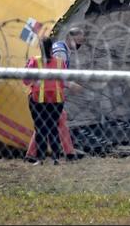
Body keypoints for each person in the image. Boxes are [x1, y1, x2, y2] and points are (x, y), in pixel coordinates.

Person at [24, 28, 86, 161]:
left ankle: (36, 155)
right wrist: (70, 85)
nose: (79, 44)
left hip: (41, 98)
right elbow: (60, 77)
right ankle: (63, 154)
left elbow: (26, 80)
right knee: (52, 125)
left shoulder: (39, 59)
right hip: (53, 97)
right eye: (78, 41)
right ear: (70, 38)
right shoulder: (60, 55)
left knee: (44, 126)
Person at [24, 37, 66, 165]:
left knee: (40, 129)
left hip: (38, 101)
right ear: (51, 47)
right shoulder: (60, 62)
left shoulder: (34, 61)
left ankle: (40, 158)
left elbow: (26, 81)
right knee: (53, 127)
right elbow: (63, 82)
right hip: (56, 100)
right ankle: (56, 158)